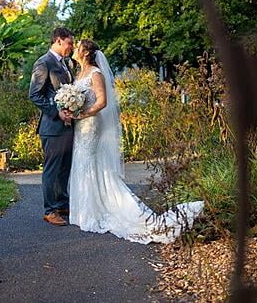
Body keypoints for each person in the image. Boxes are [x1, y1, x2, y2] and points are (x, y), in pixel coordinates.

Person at [68, 39, 204, 244]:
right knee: (83, 162)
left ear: (86, 53)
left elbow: (102, 101)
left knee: (89, 162)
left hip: (90, 124)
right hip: (80, 125)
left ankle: (96, 212)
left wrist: (83, 113)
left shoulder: (95, 73)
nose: (75, 50)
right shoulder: (79, 74)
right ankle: (84, 212)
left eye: (78, 47)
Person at [29, 27, 75, 226]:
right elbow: (35, 95)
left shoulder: (66, 64)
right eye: (69, 43)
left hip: (67, 126)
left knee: (65, 168)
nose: (71, 47)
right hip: (52, 127)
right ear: (58, 41)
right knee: (52, 170)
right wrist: (56, 112)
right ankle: (50, 210)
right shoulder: (43, 63)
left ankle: (62, 203)